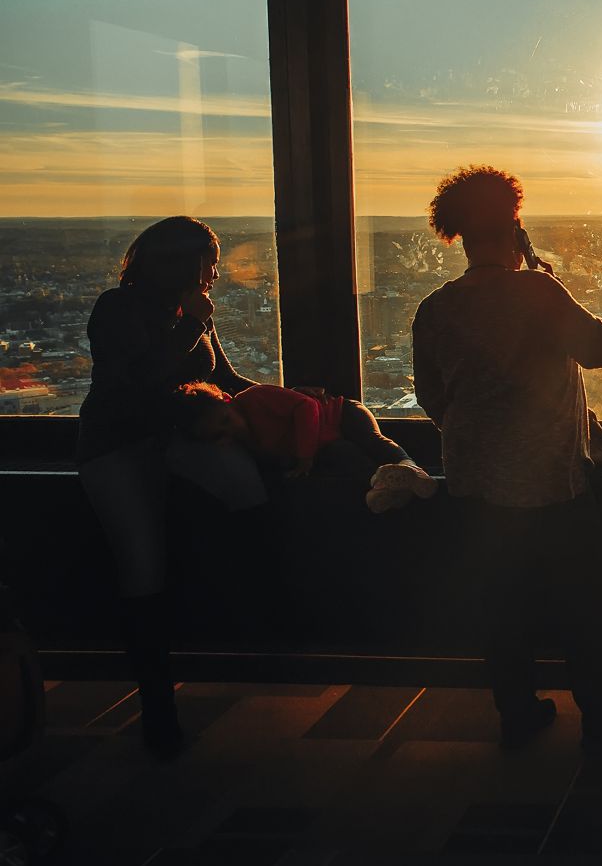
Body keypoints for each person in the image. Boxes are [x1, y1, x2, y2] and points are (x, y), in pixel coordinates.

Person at [411, 165, 602, 754]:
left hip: (474, 481)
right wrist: (546, 277)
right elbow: (601, 350)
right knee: (583, 607)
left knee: (502, 607)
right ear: (513, 228)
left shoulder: (435, 308)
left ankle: (516, 713)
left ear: (463, 238)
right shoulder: (538, 291)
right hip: (551, 481)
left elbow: (430, 395)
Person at [75, 216, 270, 758]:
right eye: (209, 260)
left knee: (245, 489)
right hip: (117, 446)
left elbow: (225, 379)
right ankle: (158, 709)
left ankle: (236, 609)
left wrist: (290, 401)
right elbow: (133, 382)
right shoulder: (117, 309)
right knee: (142, 568)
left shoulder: (190, 313)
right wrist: (190, 326)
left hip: (178, 439)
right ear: (184, 263)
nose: (215, 272)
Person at [171, 381, 437, 512]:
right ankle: (388, 487)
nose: (231, 430)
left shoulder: (255, 398)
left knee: (373, 441)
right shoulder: (248, 443)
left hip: (342, 413)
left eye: (226, 420)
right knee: (349, 458)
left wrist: (305, 457)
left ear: (226, 399)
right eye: (220, 435)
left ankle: (411, 469)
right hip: (329, 442)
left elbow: (307, 405)